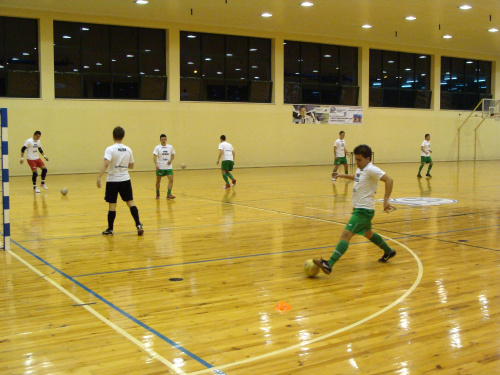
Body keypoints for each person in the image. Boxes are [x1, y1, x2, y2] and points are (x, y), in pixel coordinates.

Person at [314, 144, 396, 275]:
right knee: (369, 234)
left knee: (346, 235)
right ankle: (389, 251)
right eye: (356, 159)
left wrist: (386, 200)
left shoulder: (372, 169)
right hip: (361, 209)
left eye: (359, 160)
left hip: (363, 211)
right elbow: (357, 177)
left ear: (368, 159)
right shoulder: (362, 168)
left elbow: (389, 180)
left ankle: (329, 264)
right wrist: (341, 175)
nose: (357, 162)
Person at [97, 126, 143, 236]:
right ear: (123, 136)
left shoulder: (110, 149)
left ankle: (110, 229)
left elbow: (106, 164)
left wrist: (99, 177)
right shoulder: (128, 149)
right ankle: (138, 224)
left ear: (113, 136)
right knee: (130, 202)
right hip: (125, 180)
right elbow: (131, 165)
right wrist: (123, 164)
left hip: (112, 180)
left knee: (112, 205)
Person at [153, 134, 175, 200]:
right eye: (162, 139)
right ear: (160, 140)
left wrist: (171, 160)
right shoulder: (157, 148)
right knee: (158, 181)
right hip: (160, 167)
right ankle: (157, 193)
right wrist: (156, 164)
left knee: (171, 180)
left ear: (166, 139)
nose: (163, 141)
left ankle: (169, 194)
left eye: (165, 139)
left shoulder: (170, 147)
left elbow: (173, 155)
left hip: (168, 167)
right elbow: (154, 157)